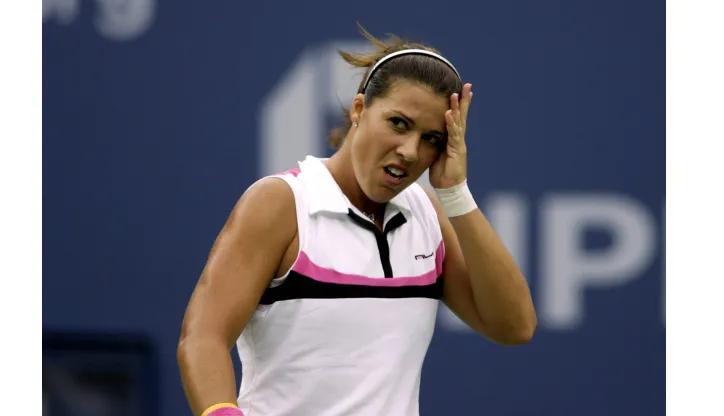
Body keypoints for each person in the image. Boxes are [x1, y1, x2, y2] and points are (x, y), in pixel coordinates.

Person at [177, 25, 537, 416]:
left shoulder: (427, 213)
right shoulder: (281, 203)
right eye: (398, 123)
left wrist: (455, 194)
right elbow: (203, 339)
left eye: (432, 138)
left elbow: (514, 326)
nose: (410, 150)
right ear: (360, 108)